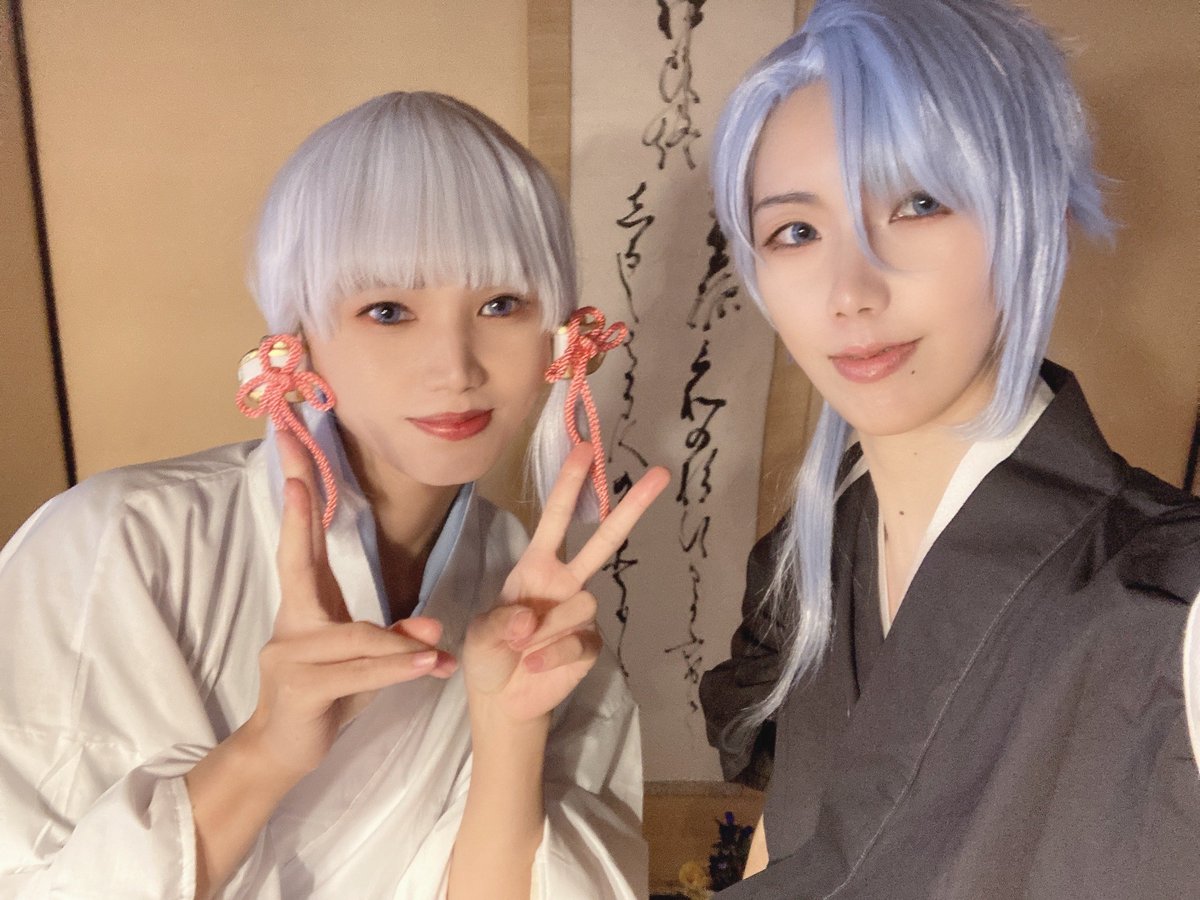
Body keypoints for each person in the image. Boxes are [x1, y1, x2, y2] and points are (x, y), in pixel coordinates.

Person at [0, 91, 668, 899]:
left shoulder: (530, 594)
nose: (455, 367)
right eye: (388, 311)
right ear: (298, 338)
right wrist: (267, 750)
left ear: (562, 335)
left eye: (500, 304)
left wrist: (509, 729)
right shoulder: (116, 543)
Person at [698, 1, 1200, 896]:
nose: (850, 291)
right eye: (796, 231)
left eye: (919, 204)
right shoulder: (809, 568)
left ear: (1034, 213)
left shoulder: (1171, 604)